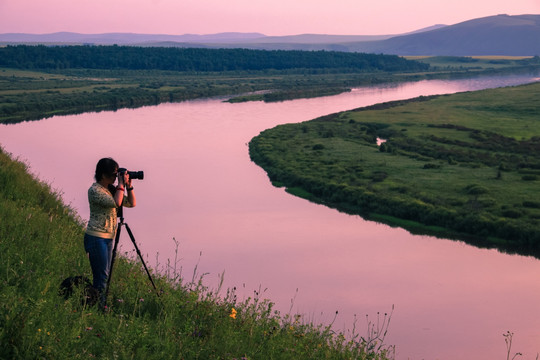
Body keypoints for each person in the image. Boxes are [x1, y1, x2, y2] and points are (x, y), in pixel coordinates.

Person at [84, 157, 136, 303]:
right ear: (103, 174)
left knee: (105, 275)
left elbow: (131, 203)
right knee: (101, 276)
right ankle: (97, 306)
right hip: (96, 237)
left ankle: (96, 304)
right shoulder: (94, 191)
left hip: (108, 238)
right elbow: (116, 203)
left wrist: (129, 186)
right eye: (113, 174)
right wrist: (120, 184)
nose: (115, 177)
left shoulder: (112, 190)